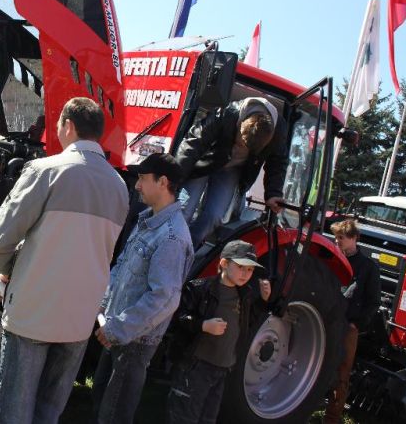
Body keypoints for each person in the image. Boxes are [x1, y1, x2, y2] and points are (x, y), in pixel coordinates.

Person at [0, 97, 129, 424]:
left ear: (68, 126)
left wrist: (11, 272)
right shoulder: (120, 187)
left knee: (9, 411)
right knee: (49, 412)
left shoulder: (46, 170)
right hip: (79, 319)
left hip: (33, 309)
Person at [92, 153, 194, 424]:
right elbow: (122, 265)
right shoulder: (148, 221)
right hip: (119, 332)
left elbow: (164, 298)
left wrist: (118, 328)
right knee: (101, 401)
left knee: (112, 415)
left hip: (133, 342)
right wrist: (104, 304)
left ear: (163, 182)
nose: (136, 185)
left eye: (142, 179)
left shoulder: (171, 237)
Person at [167, 240, 271, 424]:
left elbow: (249, 324)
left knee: (208, 418)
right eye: (241, 267)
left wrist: (263, 301)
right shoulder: (200, 288)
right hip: (196, 367)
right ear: (223, 263)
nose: (246, 274)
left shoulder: (245, 294)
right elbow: (179, 318)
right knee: (184, 417)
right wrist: (202, 325)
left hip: (222, 370)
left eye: (250, 270)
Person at [174, 97, 289, 249]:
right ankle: (168, 246)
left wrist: (274, 193)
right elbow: (194, 142)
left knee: (214, 216)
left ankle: (187, 251)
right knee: (184, 209)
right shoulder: (227, 113)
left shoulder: (279, 132)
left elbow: (277, 162)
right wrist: (174, 176)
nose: (241, 148)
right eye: (240, 143)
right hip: (205, 160)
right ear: (239, 123)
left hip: (232, 169)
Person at [324, 219, 381, 424]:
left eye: (341, 237)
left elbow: (374, 302)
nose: (337, 241)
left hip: (348, 327)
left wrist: (357, 324)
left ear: (354, 238)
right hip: (326, 323)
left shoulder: (368, 268)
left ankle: (331, 418)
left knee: (341, 374)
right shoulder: (331, 259)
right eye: (336, 237)